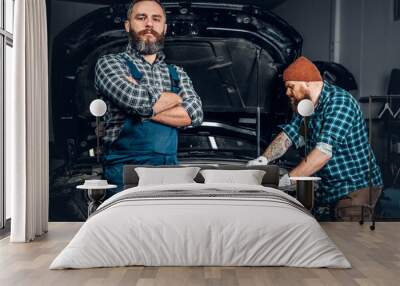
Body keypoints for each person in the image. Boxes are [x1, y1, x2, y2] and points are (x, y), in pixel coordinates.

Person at [247, 56, 383, 216]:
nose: (287, 92)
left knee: (348, 231)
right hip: (328, 186)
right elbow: (289, 135)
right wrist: (263, 159)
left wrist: (286, 181)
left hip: (355, 185)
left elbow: (323, 153)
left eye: (291, 87)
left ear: (307, 82)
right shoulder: (306, 105)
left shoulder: (340, 104)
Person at [94, 0, 203, 193]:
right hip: (125, 174)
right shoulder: (109, 64)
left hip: (170, 173)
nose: (149, 24)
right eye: (141, 18)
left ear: (164, 28)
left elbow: (193, 115)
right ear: (128, 25)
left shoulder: (177, 72)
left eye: (156, 19)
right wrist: (175, 99)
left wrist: (141, 107)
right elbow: (135, 101)